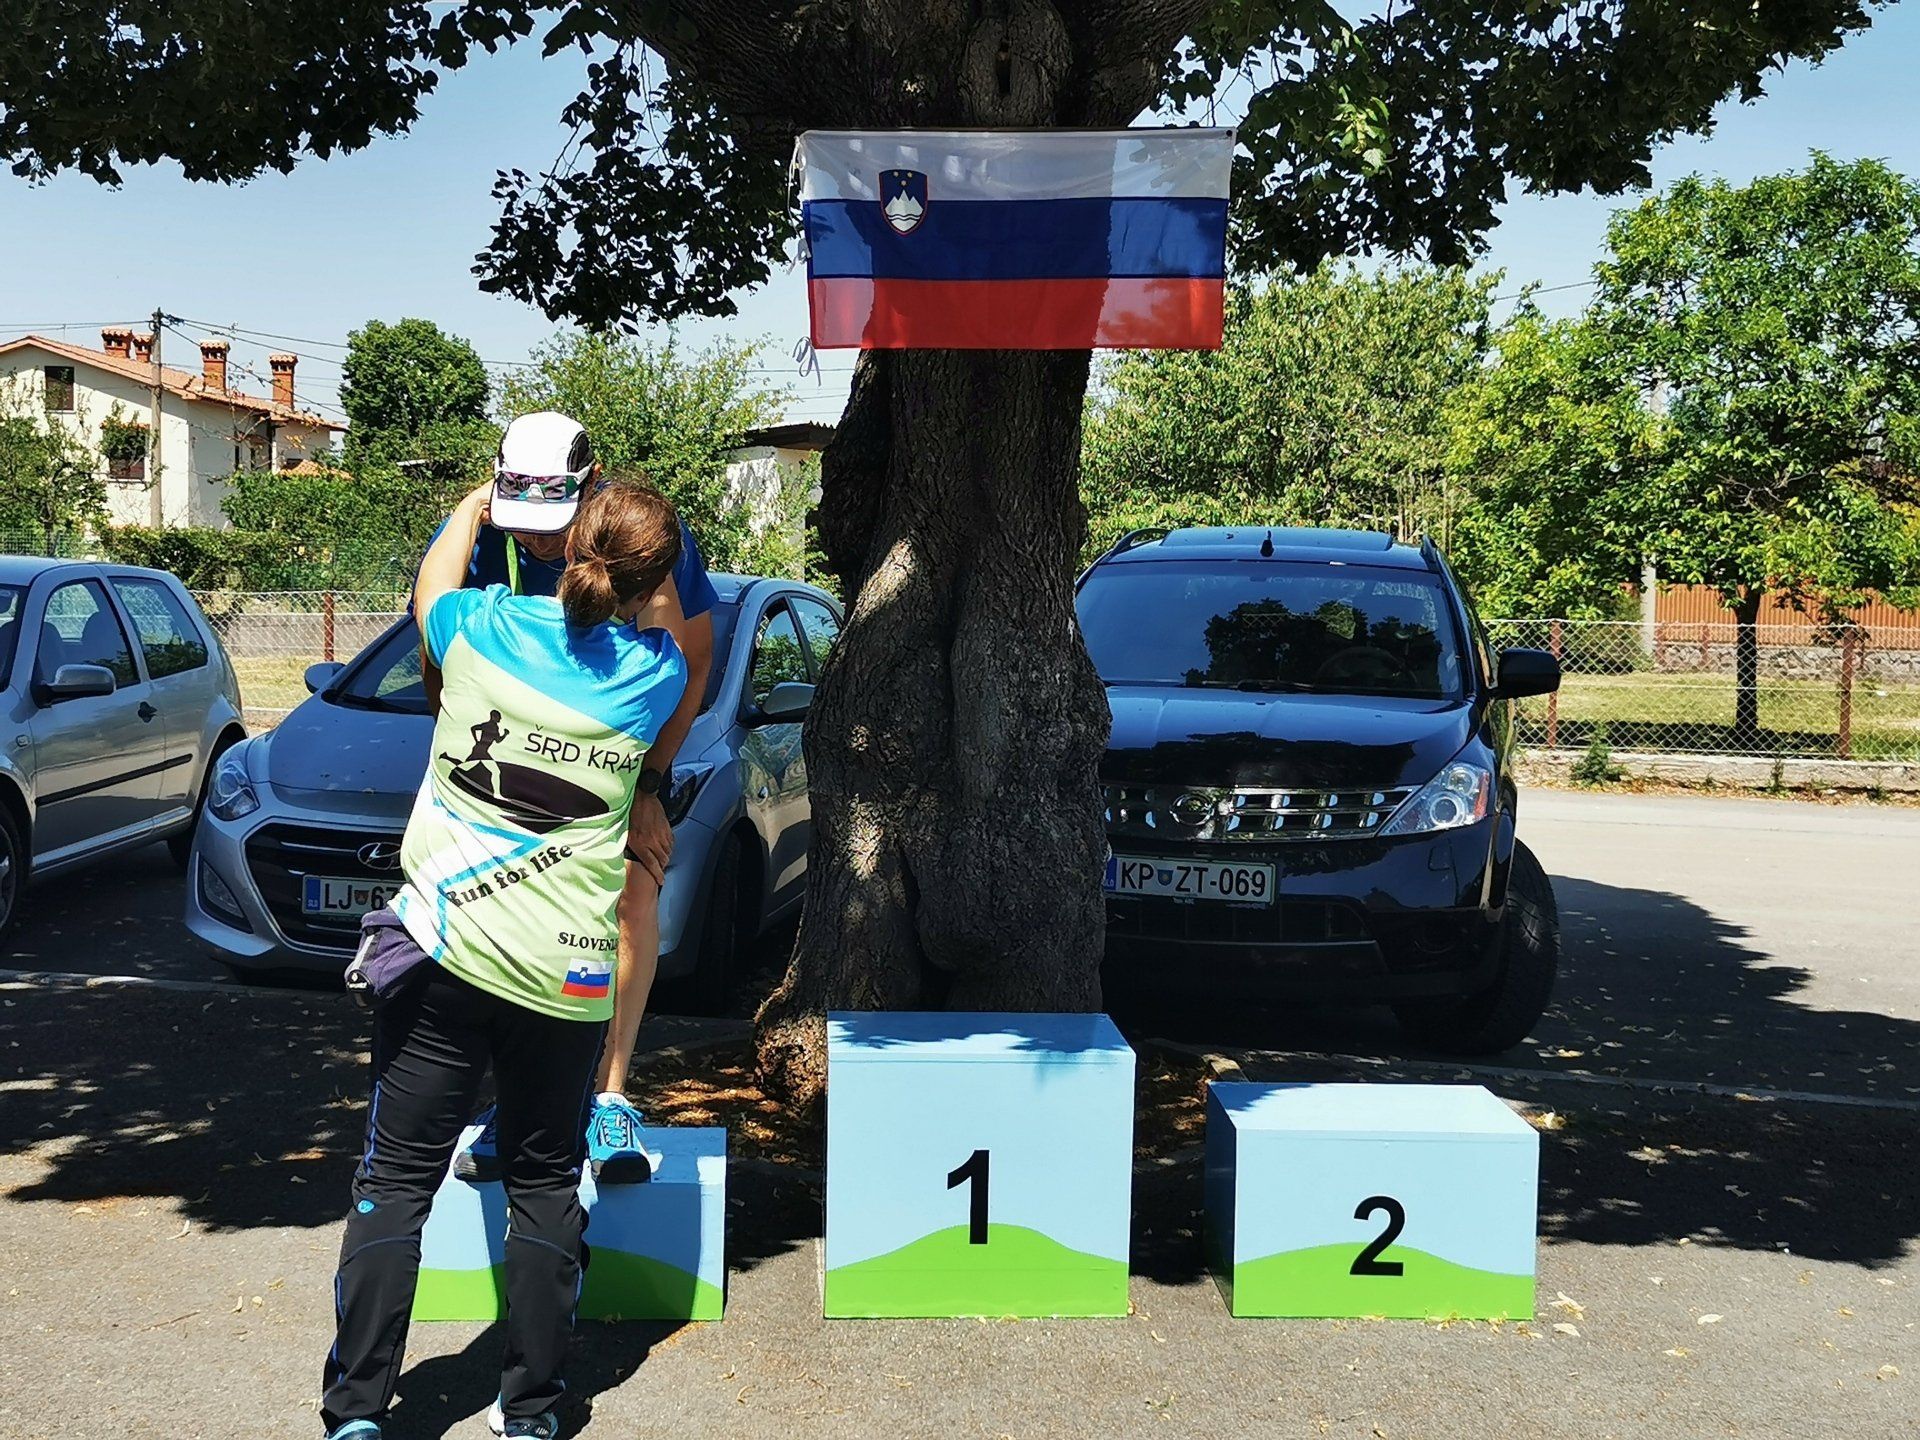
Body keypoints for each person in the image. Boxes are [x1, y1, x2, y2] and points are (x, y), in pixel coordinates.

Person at [320, 477, 687, 1440]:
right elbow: (664, 620)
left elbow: (428, 591)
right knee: (543, 1185)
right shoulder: (655, 677)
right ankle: (528, 1411)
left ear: (567, 543)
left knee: (397, 1180)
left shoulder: (480, 629)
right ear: (650, 580)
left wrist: (475, 506)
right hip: (566, 974)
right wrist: (647, 570)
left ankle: (356, 1412)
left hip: (443, 952)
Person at [437, 412, 718, 1186]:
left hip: (611, 763)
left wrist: (648, 788)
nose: (533, 541)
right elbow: (435, 643)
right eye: (520, 522)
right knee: (511, 919)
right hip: (507, 766)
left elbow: (688, 665)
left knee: (631, 896)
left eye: (550, 525)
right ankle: (521, 1098)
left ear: (590, 488)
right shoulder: (479, 531)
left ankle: (610, 1096)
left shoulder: (641, 536)